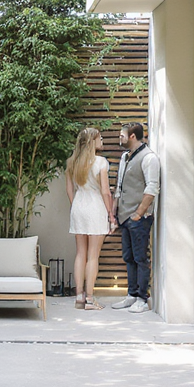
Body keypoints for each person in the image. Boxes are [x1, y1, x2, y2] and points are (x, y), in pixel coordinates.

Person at [111, 122, 160, 314]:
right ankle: (131, 294)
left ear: (132, 136)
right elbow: (119, 187)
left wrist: (139, 213)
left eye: (122, 135)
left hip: (139, 217)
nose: (119, 138)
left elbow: (152, 188)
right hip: (124, 216)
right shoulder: (125, 157)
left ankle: (142, 298)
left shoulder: (149, 158)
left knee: (141, 258)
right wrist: (114, 213)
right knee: (128, 257)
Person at [66, 126, 115, 309]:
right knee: (93, 255)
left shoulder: (72, 162)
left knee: (80, 253)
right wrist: (111, 214)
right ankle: (89, 298)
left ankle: (79, 297)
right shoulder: (101, 162)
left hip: (79, 205)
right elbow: (105, 191)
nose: (102, 141)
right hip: (95, 207)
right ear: (92, 142)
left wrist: (76, 206)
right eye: (99, 138)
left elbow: (69, 190)